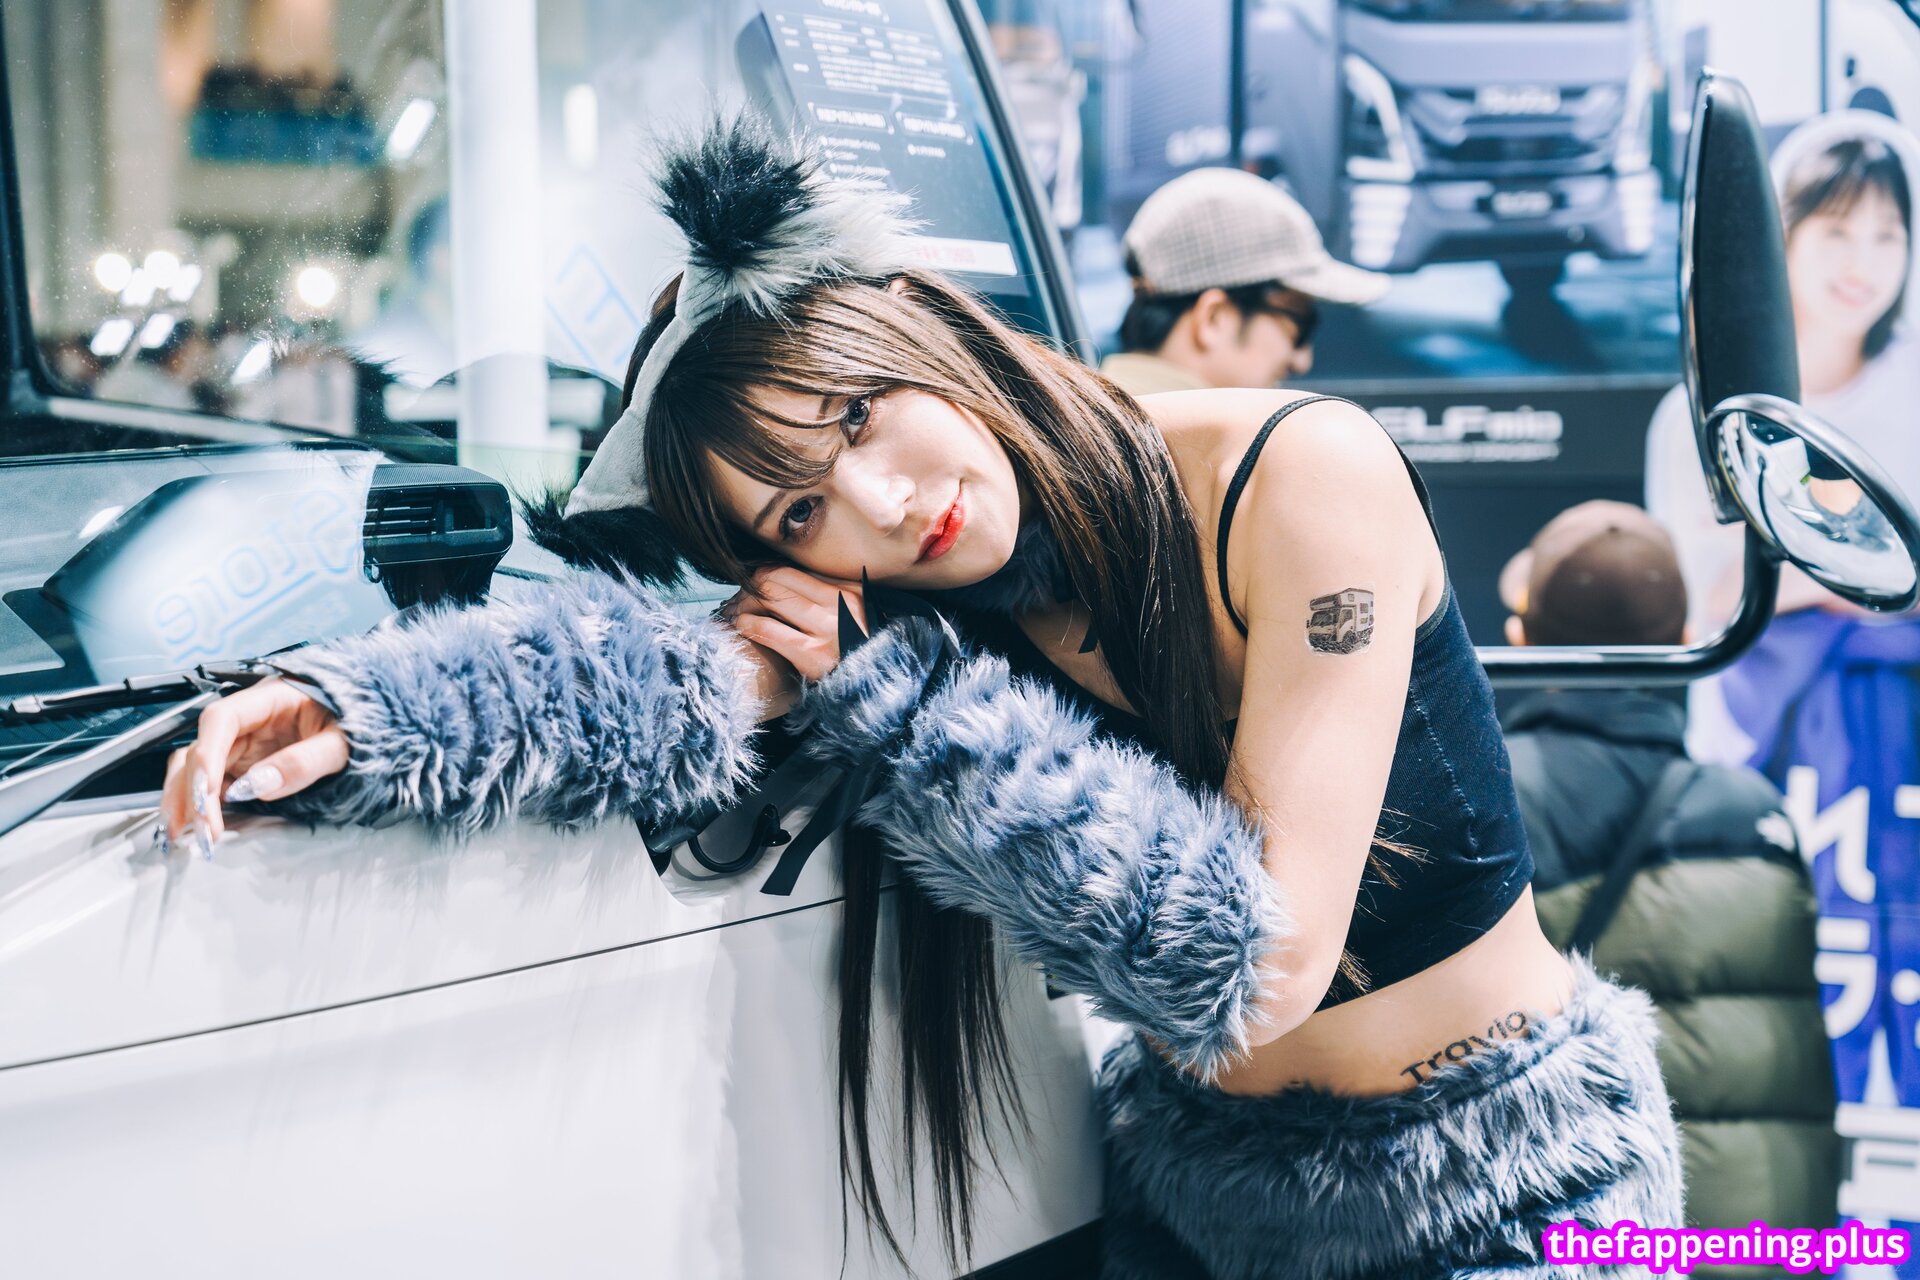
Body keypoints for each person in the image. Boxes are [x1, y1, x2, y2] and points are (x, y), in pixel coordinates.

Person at [159, 117, 1679, 1278]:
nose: (887, 505)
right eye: (800, 514)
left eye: (861, 415)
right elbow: (662, 677)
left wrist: (907, 705)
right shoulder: (908, 602)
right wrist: (373, 716)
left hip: (1515, 1198)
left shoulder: (1297, 476)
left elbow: (1255, 963)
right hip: (1195, 1205)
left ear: (916, 325)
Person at [1498, 501, 1840, 1273]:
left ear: (1521, 638)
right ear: (1685, 640)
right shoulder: (1756, 812)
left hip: (1582, 1241)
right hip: (1756, 1245)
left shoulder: (1488, 799)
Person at [1645, 111, 1920, 761]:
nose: (1863, 263)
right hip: (1747, 748)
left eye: (1887, 235)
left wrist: (1797, 570)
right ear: (1783, 233)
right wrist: (1879, 575)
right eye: (1838, 230)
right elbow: (1706, 593)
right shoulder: (1702, 414)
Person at [1101, 167, 1389, 396]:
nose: (1302, 361)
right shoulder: (1205, 447)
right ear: (1213, 317)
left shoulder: (1095, 425)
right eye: (1301, 326)